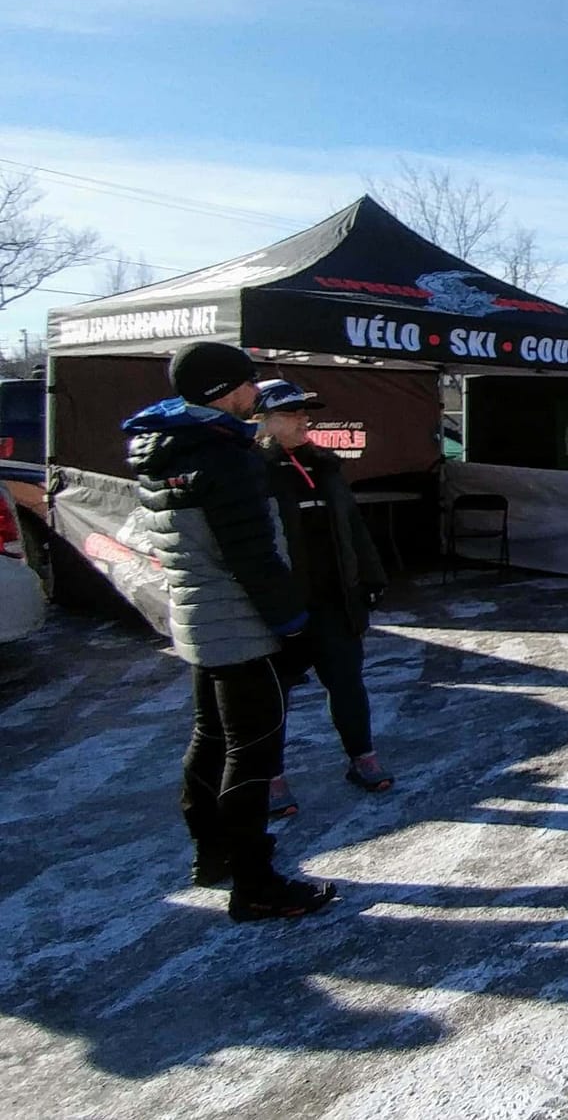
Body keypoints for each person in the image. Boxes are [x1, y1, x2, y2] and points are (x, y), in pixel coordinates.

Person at [121, 342, 336, 922]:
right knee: (253, 753)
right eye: (248, 382)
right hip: (240, 625)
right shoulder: (222, 456)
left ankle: (211, 852)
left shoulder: (167, 446)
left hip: (198, 621)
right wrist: (294, 627)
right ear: (222, 391)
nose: (256, 392)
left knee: (212, 738)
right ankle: (256, 883)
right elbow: (252, 557)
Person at [255, 379, 393, 815]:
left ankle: (363, 757)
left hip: (334, 601)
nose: (303, 421)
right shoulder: (251, 470)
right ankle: (270, 779)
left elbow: (352, 526)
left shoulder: (325, 466)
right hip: (280, 607)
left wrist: (370, 577)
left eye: (304, 413)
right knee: (271, 696)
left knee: (347, 682)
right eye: (291, 414)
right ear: (262, 421)